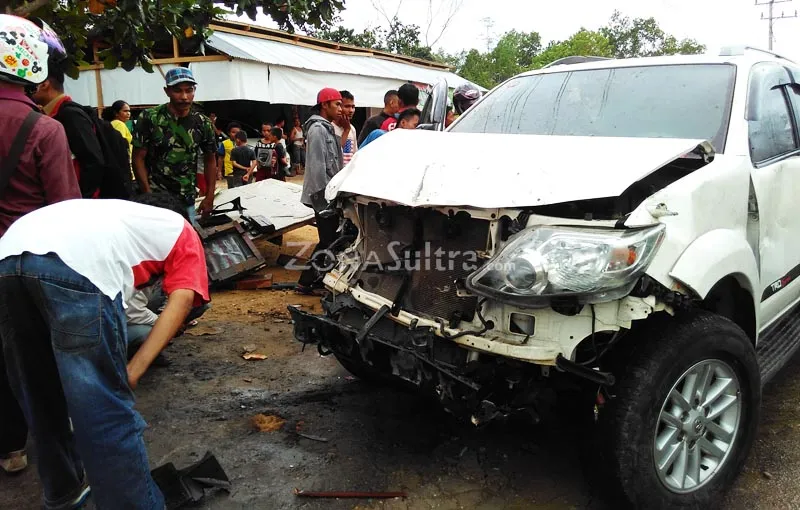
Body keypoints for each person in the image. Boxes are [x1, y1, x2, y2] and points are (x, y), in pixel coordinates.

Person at [0, 192, 209, 510]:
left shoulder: (110, 216)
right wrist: (134, 370)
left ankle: (63, 494)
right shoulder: (182, 229)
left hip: (7, 260)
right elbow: (182, 300)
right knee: (105, 414)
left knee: (40, 400)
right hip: (78, 268)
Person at [0, 14, 81, 482]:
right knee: (39, 361)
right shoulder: (44, 130)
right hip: (28, 265)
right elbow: (64, 212)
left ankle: (10, 445)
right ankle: (61, 465)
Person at [132, 67, 218, 221]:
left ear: (194, 91)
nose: (184, 97)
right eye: (178, 91)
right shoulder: (150, 118)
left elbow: (210, 160)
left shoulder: (202, 122)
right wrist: (147, 195)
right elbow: (138, 158)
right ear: (167, 91)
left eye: (189, 90)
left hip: (187, 198)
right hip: (157, 199)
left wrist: (209, 196)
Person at [31, 56, 106, 199]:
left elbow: (94, 161)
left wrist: (80, 200)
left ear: (44, 84)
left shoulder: (70, 115)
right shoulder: (54, 113)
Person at [298, 87, 344, 294]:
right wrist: (324, 201)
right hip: (323, 196)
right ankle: (307, 281)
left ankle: (314, 279)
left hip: (329, 194)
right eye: (337, 104)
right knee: (329, 241)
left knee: (330, 240)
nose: (341, 109)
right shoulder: (317, 129)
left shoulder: (327, 128)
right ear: (324, 105)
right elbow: (317, 168)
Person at [103, 100, 134, 182]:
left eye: (129, 111)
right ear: (116, 113)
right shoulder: (119, 124)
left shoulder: (112, 124)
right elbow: (121, 146)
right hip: (125, 166)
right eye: (125, 111)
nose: (128, 113)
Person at [333, 90, 358, 166]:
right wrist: (346, 130)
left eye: (353, 107)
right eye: (347, 106)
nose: (351, 110)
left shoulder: (352, 129)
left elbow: (354, 155)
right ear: (339, 107)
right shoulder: (330, 127)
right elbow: (335, 154)